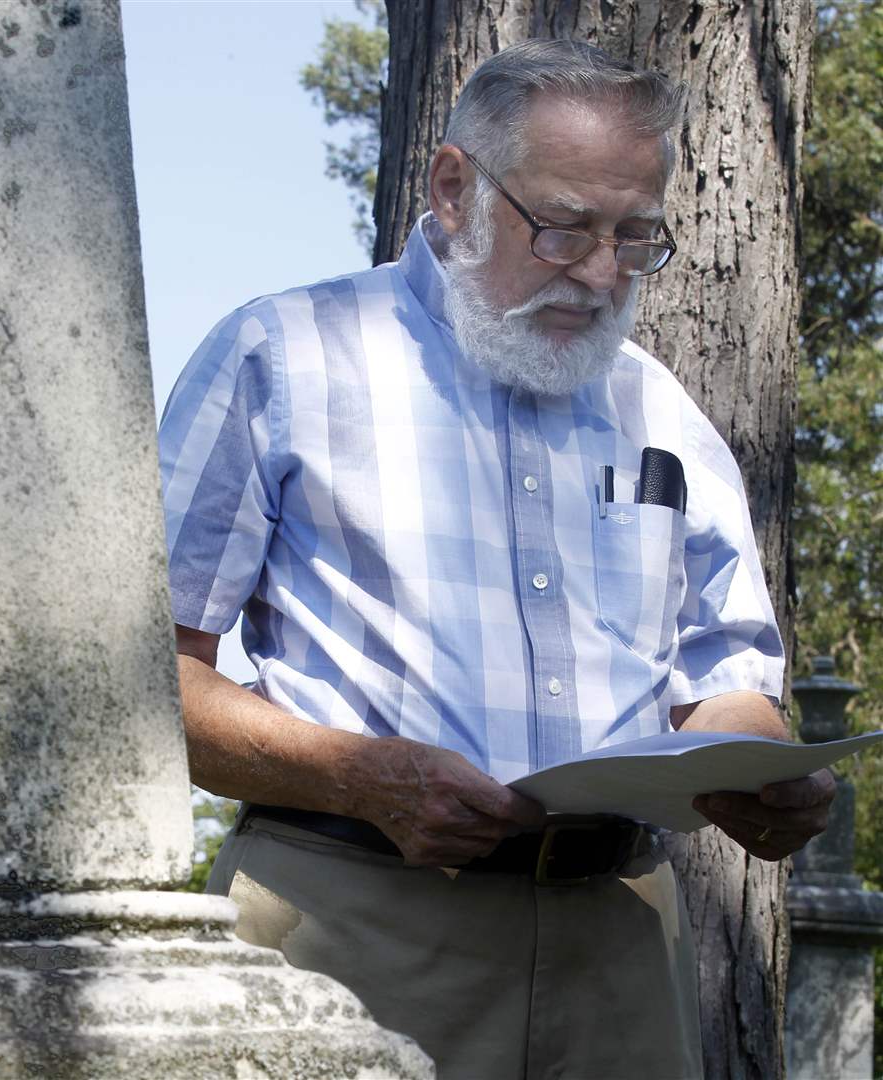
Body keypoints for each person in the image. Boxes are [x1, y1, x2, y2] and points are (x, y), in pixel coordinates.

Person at [158, 39, 833, 1079]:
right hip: (349, 927)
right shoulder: (283, 357)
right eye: (564, 228)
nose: (603, 273)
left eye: (636, 237)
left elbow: (726, 681)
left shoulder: (664, 412)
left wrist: (759, 773)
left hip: (621, 944)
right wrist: (361, 778)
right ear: (452, 186)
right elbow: (142, 687)